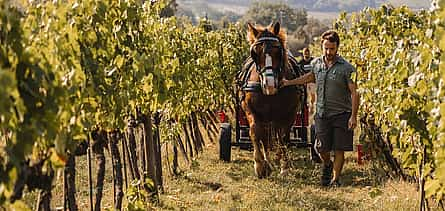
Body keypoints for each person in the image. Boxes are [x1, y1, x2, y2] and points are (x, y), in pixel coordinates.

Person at [281, 30, 359, 187]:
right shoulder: (316, 63)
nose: (328, 52)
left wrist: (353, 116)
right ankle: (327, 164)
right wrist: (290, 82)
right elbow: (310, 77)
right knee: (320, 147)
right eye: (326, 48)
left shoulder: (347, 68)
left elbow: (355, 93)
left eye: (332, 48)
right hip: (322, 113)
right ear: (322, 47)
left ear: (337, 48)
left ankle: (335, 179)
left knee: (339, 149)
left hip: (342, 114)